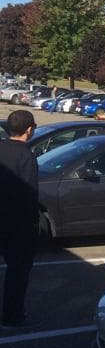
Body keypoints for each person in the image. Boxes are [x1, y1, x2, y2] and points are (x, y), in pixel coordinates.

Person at [0, 110, 39, 328]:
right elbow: (29, 194)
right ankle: (12, 315)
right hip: (17, 225)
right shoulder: (26, 157)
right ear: (29, 129)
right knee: (17, 272)